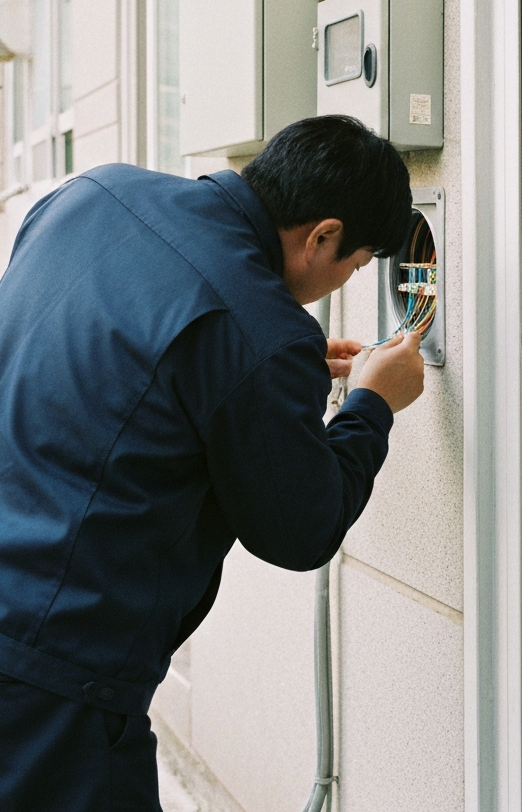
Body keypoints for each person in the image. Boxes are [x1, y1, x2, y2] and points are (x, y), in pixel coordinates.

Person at [0, 115, 424, 810]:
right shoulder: (259, 330)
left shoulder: (92, 193)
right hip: (54, 671)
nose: (344, 279)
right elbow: (301, 530)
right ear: (322, 236)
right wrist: (372, 404)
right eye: (353, 265)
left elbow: (115, 347)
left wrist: (265, 375)